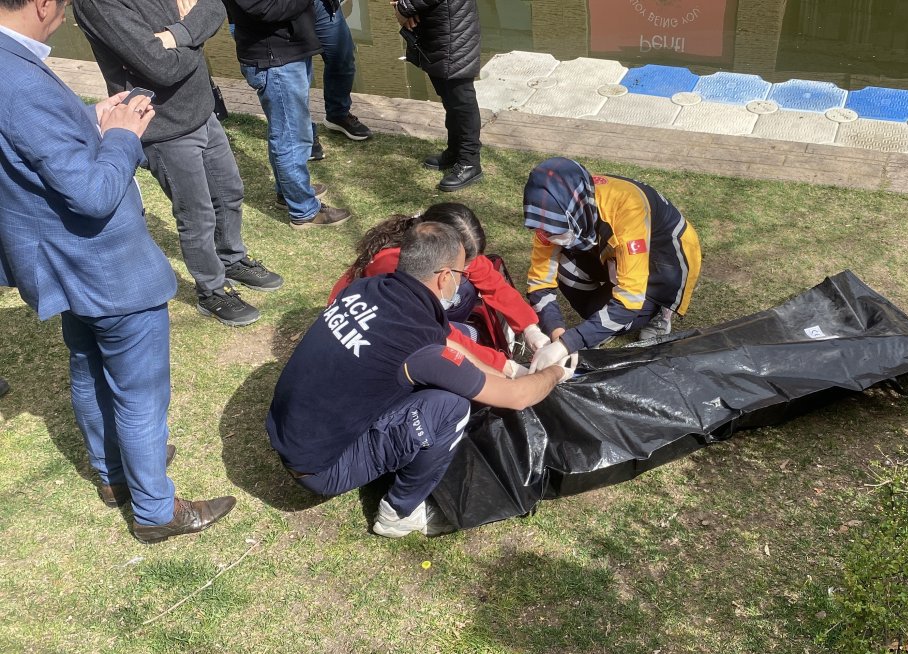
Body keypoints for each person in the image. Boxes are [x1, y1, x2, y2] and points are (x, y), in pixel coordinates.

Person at [0, 0, 235, 543]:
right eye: (62, 3)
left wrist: (90, 117)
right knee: (140, 394)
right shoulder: (22, 81)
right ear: (41, 4)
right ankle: (154, 510)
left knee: (87, 365)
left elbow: (26, 140)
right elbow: (93, 194)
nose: (67, 12)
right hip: (105, 266)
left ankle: (112, 473)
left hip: (59, 263)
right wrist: (123, 135)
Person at [268, 220, 573, 537]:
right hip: (321, 469)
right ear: (445, 277)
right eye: (461, 274)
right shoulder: (417, 345)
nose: (462, 282)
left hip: (288, 432)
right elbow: (517, 398)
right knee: (450, 406)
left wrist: (506, 371)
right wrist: (555, 371)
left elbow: (448, 343)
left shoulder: (368, 288)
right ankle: (399, 513)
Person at [74, 0, 286, 328]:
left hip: (201, 109)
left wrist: (176, 36)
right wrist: (195, 34)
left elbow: (215, 7)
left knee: (229, 192)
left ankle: (231, 259)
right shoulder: (99, 4)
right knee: (197, 215)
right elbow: (160, 67)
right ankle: (212, 292)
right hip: (163, 125)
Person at [522, 157, 702, 372]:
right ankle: (600, 324)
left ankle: (659, 312)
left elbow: (630, 299)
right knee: (577, 286)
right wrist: (556, 333)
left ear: (575, 214)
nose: (547, 236)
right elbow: (539, 283)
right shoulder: (551, 216)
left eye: (555, 230)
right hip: (611, 250)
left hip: (663, 259)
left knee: (629, 311)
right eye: (543, 231)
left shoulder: (628, 207)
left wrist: (568, 344)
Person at [328, 203, 550, 375]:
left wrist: (530, 328)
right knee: (460, 344)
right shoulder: (396, 267)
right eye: (464, 264)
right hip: (372, 336)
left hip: (403, 313)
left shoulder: (428, 246)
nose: (468, 268)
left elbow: (491, 280)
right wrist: (504, 367)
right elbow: (438, 334)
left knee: (464, 294)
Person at [221, 0, 351, 227]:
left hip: (288, 51)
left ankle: (288, 192)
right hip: (275, 60)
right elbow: (265, 9)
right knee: (291, 138)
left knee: (286, 131)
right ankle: (304, 210)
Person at [392, 0, 484, 192]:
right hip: (439, 27)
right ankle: (455, 150)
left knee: (461, 98)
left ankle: (469, 162)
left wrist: (404, 7)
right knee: (449, 97)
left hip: (455, 28)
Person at [311, 0, 372, 142]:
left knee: (342, 57)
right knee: (293, 69)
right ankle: (297, 131)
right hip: (284, 9)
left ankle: (338, 114)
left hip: (322, 4)